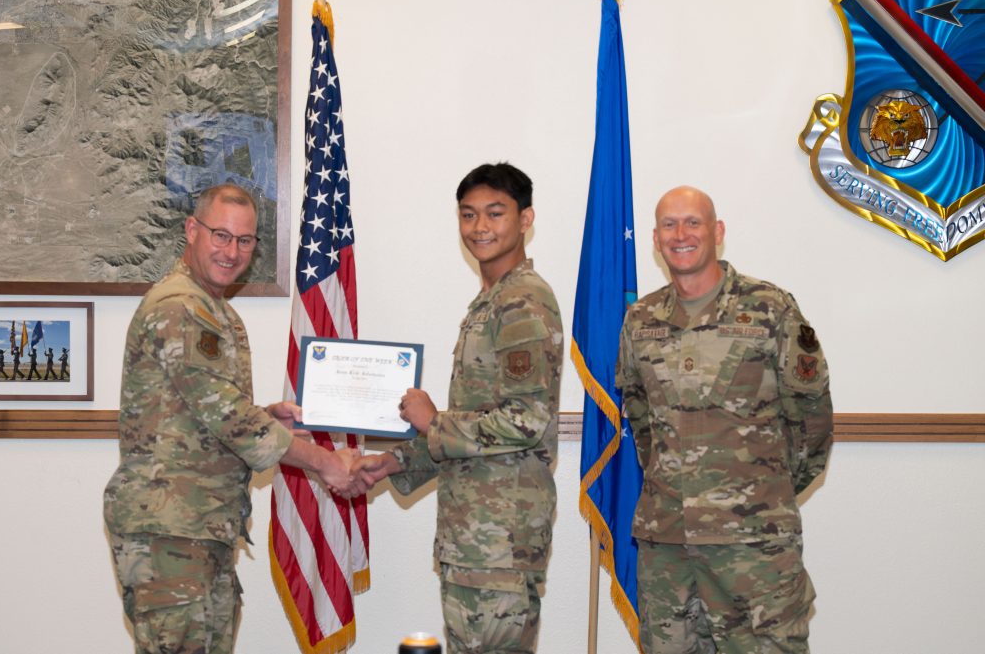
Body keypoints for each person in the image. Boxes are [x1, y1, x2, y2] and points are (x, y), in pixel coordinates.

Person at [103, 183, 366, 654]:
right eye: (220, 235)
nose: (231, 251)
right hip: (171, 530)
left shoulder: (216, 310)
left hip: (200, 526)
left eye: (244, 240)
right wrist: (326, 463)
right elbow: (227, 417)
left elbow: (202, 414)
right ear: (192, 230)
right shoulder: (180, 307)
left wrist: (266, 416)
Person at [354, 163, 563, 653]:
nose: (480, 227)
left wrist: (435, 420)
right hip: (475, 539)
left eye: (495, 213)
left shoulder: (522, 302)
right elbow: (477, 423)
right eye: (468, 215)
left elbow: (526, 421)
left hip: (499, 541)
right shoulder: (490, 302)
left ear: (526, 219)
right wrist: (395, 462)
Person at [616, 186, 833, 653]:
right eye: (669, 225)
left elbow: (811, 419)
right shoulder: (640, 320)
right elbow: (641, 420)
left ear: (717, 232)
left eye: (692, 222)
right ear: (655, 239)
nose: (681, 234)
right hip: (668, 545)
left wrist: (760, 493)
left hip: (754, 548)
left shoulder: (769, 308)